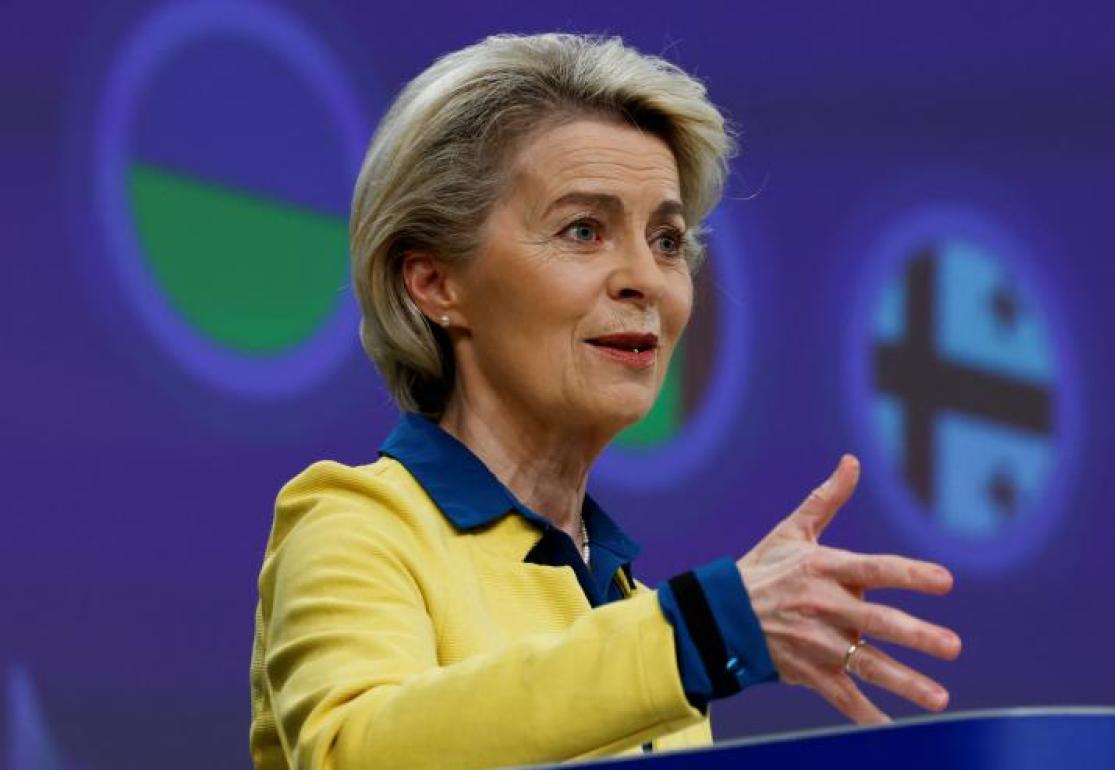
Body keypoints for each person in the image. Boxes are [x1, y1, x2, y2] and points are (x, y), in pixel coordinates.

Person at [249, 32, 961, 770]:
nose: (645, 280)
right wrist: (701, 633)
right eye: (584, 230)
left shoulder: (636, 612)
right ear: (434, 283)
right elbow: (356, 754)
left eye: (667, 241)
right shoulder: (358, 527)